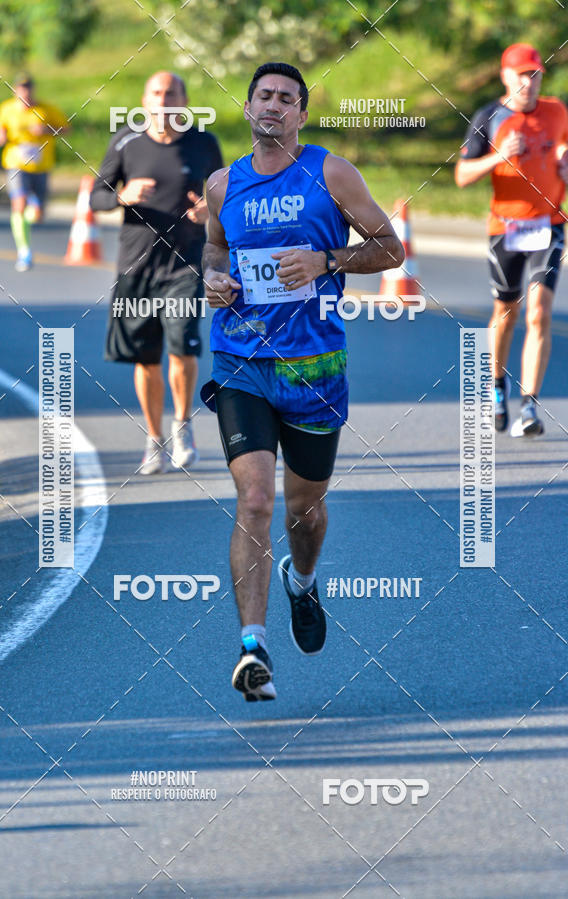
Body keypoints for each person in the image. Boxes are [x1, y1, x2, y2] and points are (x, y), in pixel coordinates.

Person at [201, 61, 404, 701]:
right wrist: (214, 278)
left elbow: (391, 247)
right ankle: (252, 646)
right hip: (241, 362)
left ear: (301, 115)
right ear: (247, 106)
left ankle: (303, 580)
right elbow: (212, 247)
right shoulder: (221, 184)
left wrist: (326, 259)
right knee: (256, 500)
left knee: (303, 511)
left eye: (287, 99)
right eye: (264, 95)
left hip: (314, 368)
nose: (273, 106)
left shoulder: (330, 172)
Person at [91, 71, 223, 472]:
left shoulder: (203, 143)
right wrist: (122, 195)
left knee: (182, 346)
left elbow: (220, 191)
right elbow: (97, 197)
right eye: (157, 93)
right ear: (145, 99)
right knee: (145, 359)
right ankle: (154, 439)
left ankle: (182, 424)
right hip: (136, 267)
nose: (164, 100)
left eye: (172, 93)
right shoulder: (125, 141)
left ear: (184, 101)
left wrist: (207, 209)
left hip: (184, 263)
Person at [455, 43, 568, 436]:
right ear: (505, 76)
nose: (529, 82)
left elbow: (565, 145)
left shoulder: (557, 111)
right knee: (506, 314)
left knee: (539, 312)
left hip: (549, 226)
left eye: (535, 74)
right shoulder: (490, 117)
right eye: (521, 74)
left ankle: (530, 407)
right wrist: (498, 157)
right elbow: (461, 175)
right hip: (505, 229)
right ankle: (497, 385)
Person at [0, 73, 70, 271]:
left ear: (33, 89)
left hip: (41, 167)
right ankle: (24, 251)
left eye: (28, 88)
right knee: (18, 203)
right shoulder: (7, 109)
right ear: (15, 90)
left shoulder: (46, 109)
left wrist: (46, 131)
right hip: (16, 165)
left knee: (38, 214)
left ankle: (34, 207)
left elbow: (66, 129)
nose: (25, 92)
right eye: (21, 88)